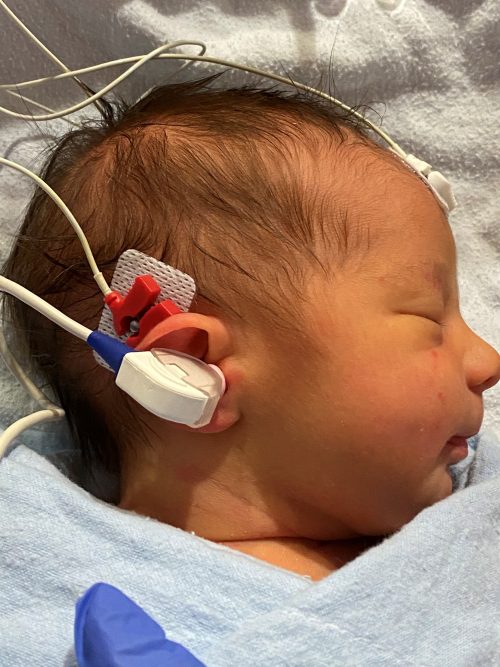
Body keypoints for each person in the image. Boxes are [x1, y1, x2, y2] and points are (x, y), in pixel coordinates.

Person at [3, 76, 499, 581]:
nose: (489, 362)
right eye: (429, 318)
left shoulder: (475, 501)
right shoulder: (51, 582)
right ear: (194, 370)